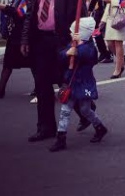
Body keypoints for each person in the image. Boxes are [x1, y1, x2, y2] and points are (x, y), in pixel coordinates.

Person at [22, 0, 90, 142]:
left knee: (67, 80)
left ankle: (87, 112)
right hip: (41, 39)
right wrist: (25, 38)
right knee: (42, 84)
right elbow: (31, 13)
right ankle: (45, 128)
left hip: (64, 38)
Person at [49, 17, 108, 152]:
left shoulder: (89, 48)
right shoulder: (72, 44)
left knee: (85, 110)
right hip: (71, 82)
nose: (71, 33)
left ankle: (100, 127)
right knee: (65, 110)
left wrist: (78, 48)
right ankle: (61, 138)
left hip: (83, 83)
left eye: (73, 31)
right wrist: (67, 53)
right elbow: (61, 56)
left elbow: (91, 57)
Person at [88, 0, 114, 64]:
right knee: (96, 31)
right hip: (100, 10)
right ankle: (103, 52)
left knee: (110, 33)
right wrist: (90, 9)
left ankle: (111, 53)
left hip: (111, 9)